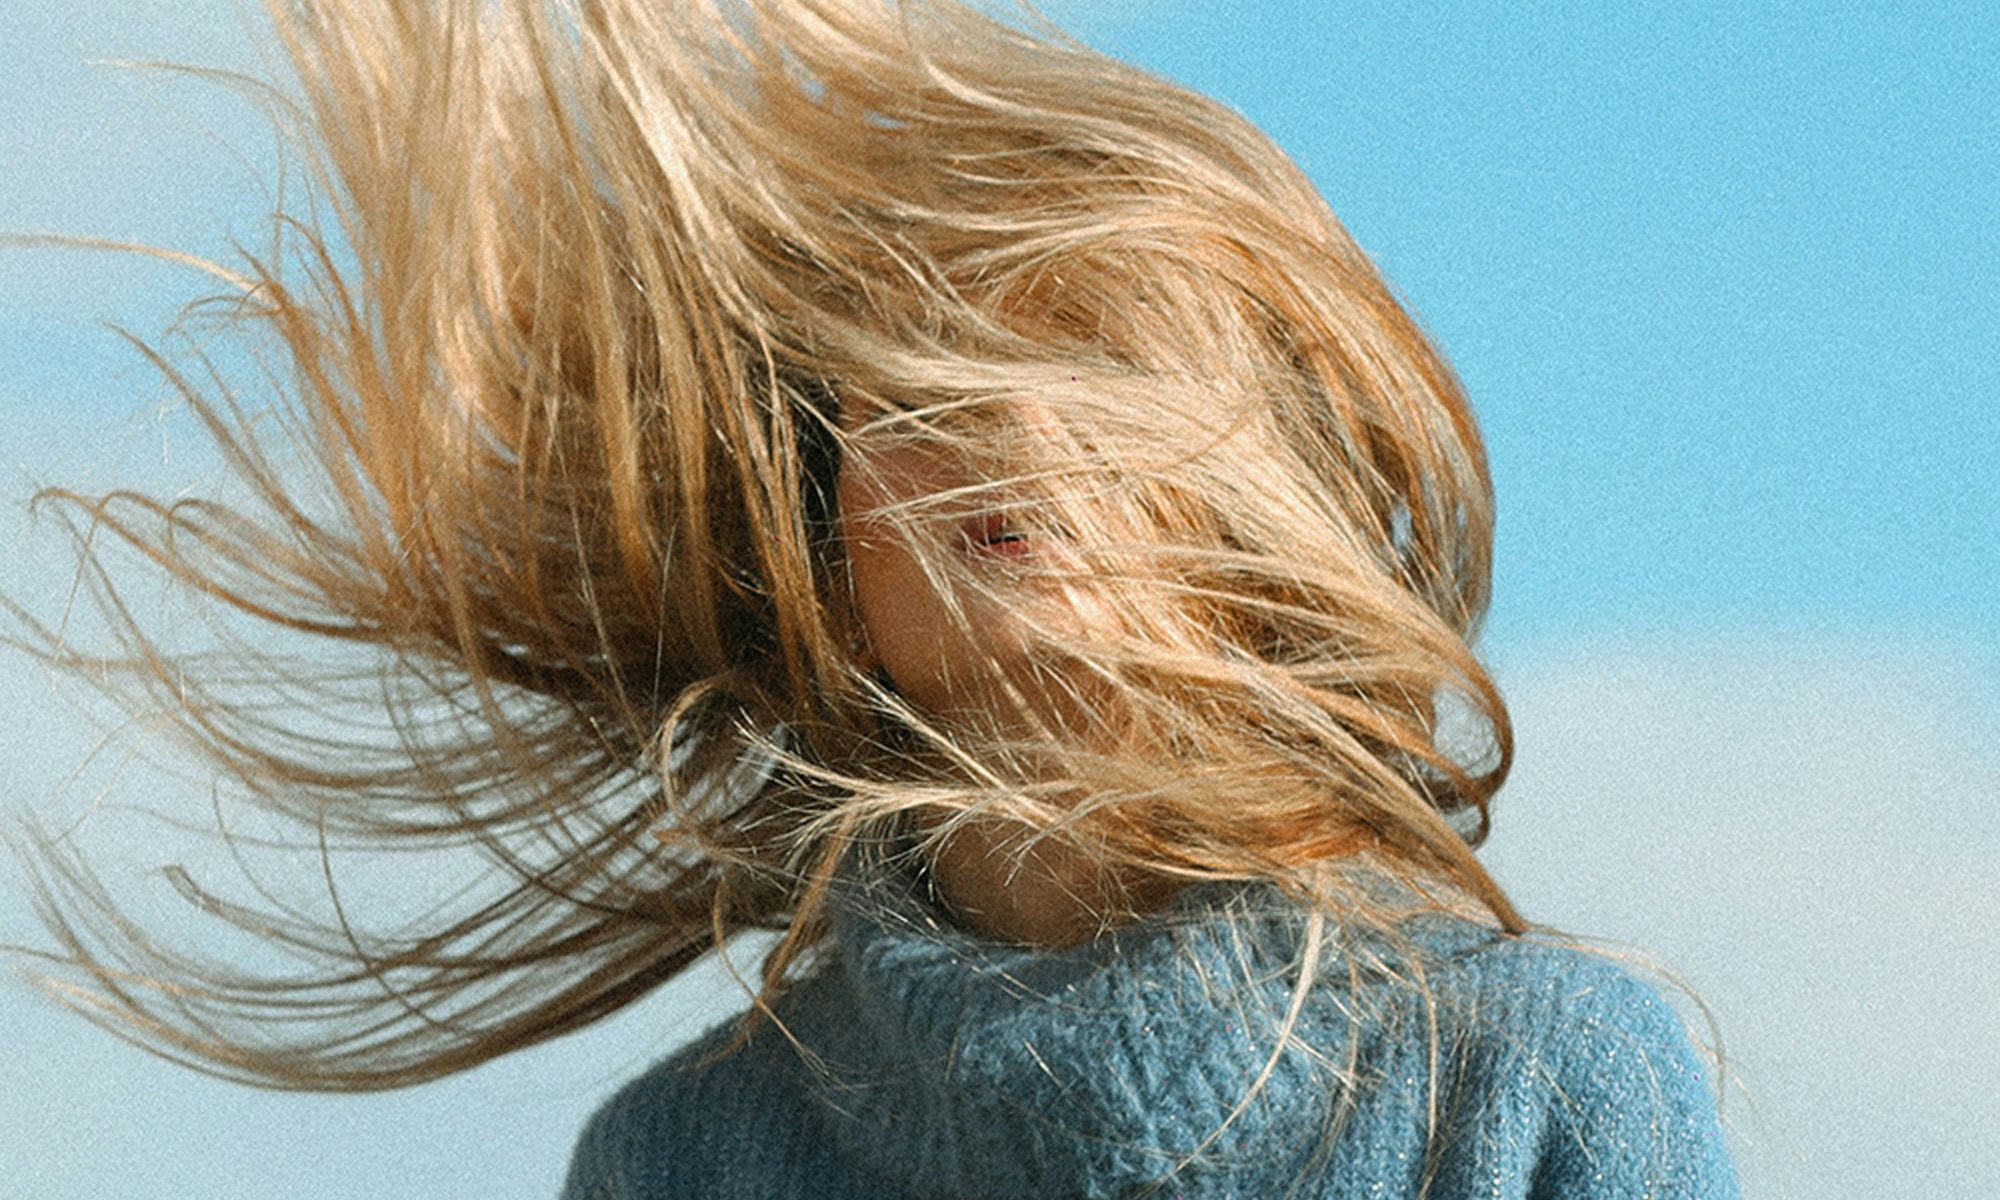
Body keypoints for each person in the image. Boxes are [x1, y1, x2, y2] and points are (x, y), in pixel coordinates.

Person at [10, 1, 1736, 1195]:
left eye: (1099, 357)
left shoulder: (1530, 1079)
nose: (1005, 425)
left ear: (1260, 501)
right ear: (821, 532)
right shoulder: (689, 1159)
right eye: (922, 372)